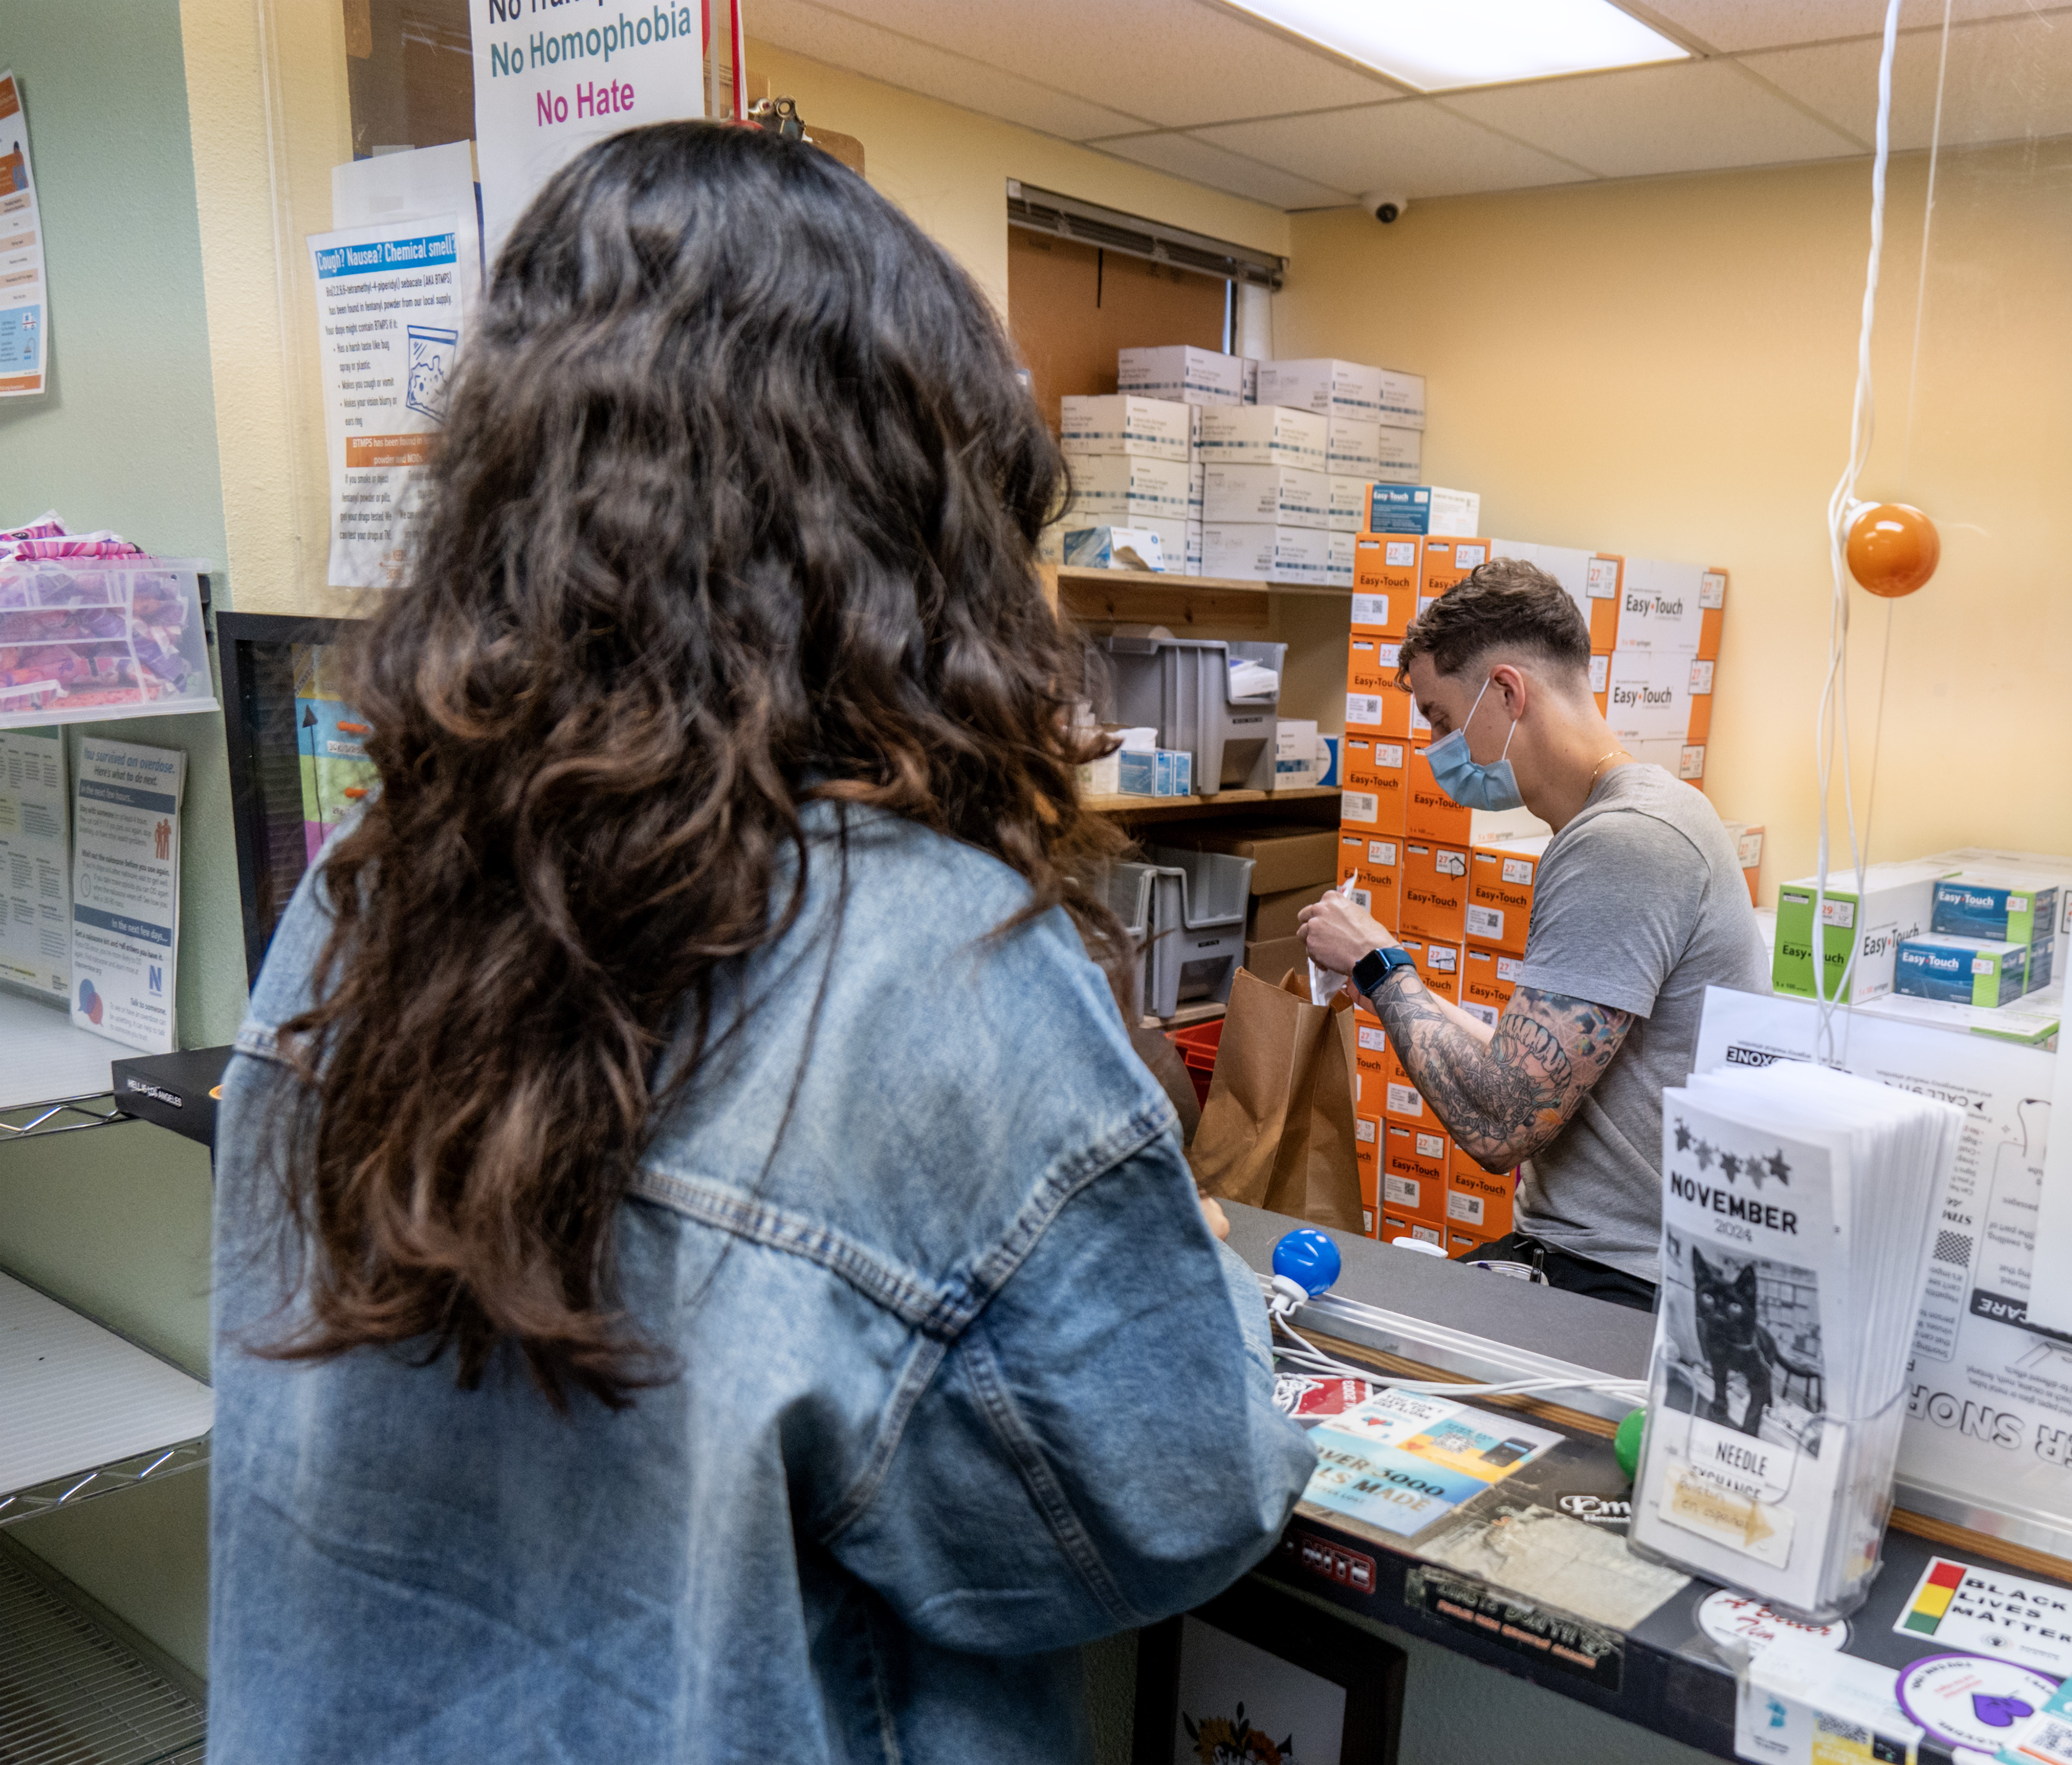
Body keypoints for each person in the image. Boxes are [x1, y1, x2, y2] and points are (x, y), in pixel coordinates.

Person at [208, 122, 1313, 1764]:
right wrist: (1197, 1267)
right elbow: (1171, 1499)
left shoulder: (368, 887)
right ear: (918, 542)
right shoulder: (935, 959)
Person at [1299, 560, 1769, 1310]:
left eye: (1442, 720)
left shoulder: (1622, 843)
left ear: (1508, 693)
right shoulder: (1647, 812)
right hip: (1617, 1261)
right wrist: (1385, 978)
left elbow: (1502, 1121)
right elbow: (1531, 1061)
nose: (1437, 748)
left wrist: (1381, 966)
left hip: (1620, 1281)